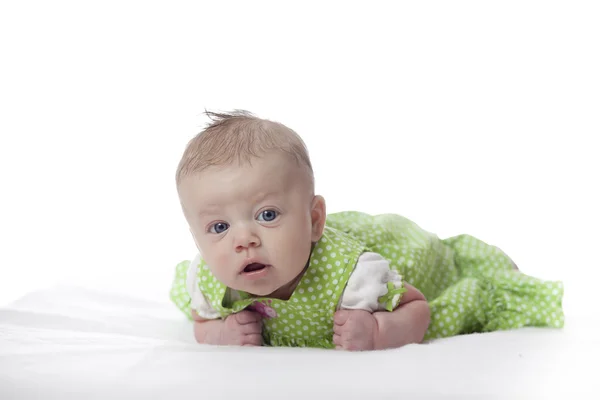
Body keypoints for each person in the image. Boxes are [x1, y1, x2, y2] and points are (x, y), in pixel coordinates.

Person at [170, 110, 564, 351]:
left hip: (400, 249)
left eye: (268, 215)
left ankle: (469, 262)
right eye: (219, 227)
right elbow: (200, 320)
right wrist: (217, 334)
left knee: (447, 278)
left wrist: (379, 329)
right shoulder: (210, 280)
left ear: (314, 221)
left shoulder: (354, 274)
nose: (244, 239)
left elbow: (419, 307)